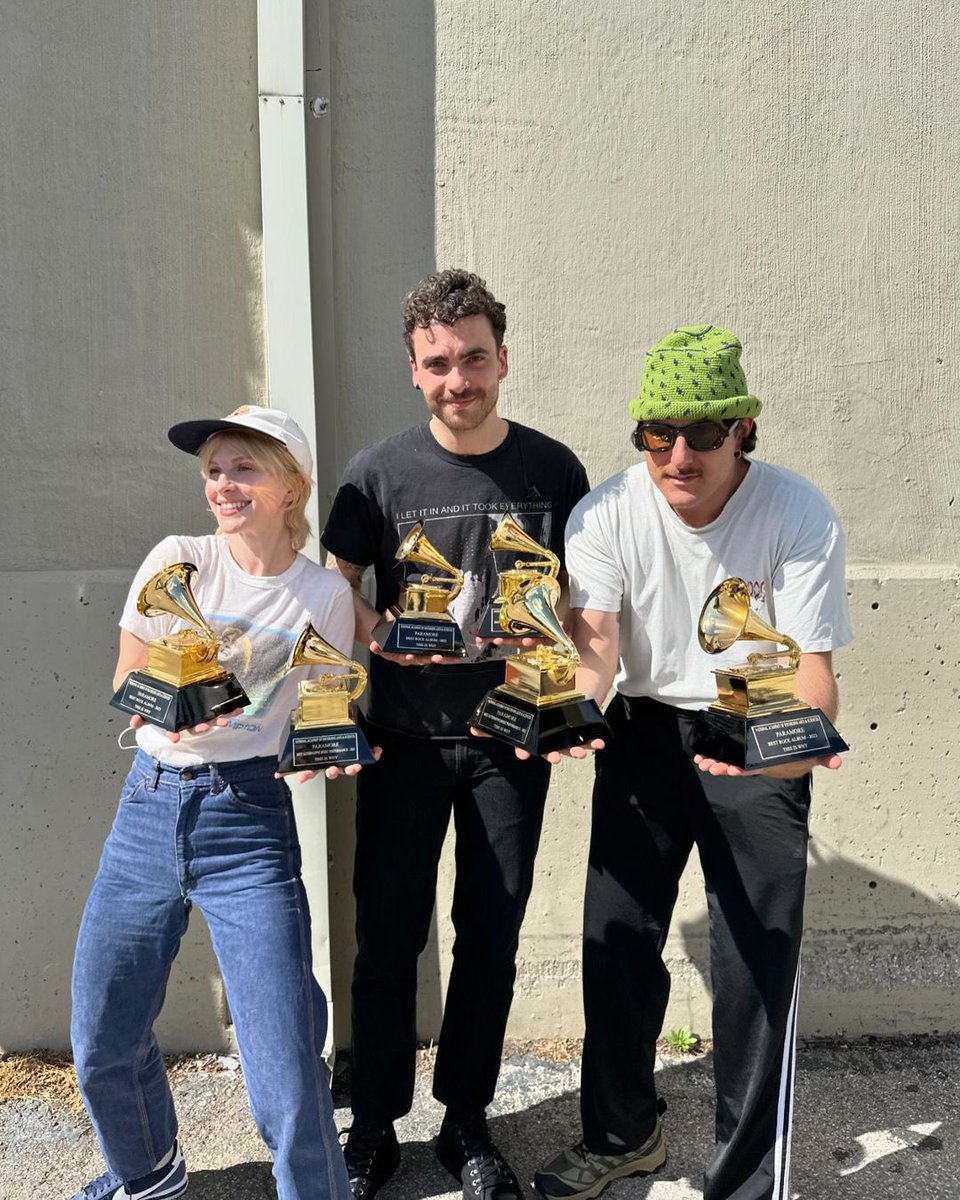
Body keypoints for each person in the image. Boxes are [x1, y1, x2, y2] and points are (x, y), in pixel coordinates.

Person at [534, 325, 853, 1200]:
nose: (679, 455)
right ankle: (623, 1137)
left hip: (756, 723)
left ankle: (748, 1179)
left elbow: (817, 672)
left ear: (743, 430)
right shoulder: (603, 512)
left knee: (755, 959)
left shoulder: (797, 511)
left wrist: (795, 754)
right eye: (657, 434)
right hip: (641, 732)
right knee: (617, 938)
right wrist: (565, 712)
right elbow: (595, 648)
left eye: (703, 435)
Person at [321, 269, 590, 1200]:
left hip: (510, 744)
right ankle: (375, 1126)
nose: (457, 379)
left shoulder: (554, 469)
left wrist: (561, 680)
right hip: (399, 738)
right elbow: (334, 582)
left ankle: (467, 1121)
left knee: (491, 934)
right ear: (414, 370)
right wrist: (379, 632)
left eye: (474, 358)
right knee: (387, 936)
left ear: (502, 359)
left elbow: (577, 599)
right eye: (437, 363)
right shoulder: (376, 472)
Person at [69, 406, 357, 1200]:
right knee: (100, 1035)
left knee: (286, 1075)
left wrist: (323, 749)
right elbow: (127, 675)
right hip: (150, 808)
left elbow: (324, 702)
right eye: (214, 470)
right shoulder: (180, 558)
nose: (222, 485)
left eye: (244, 468)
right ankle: (149, 1172)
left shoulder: (323, 594)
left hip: (249, 821)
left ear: (292, 484)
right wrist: (171, 701)